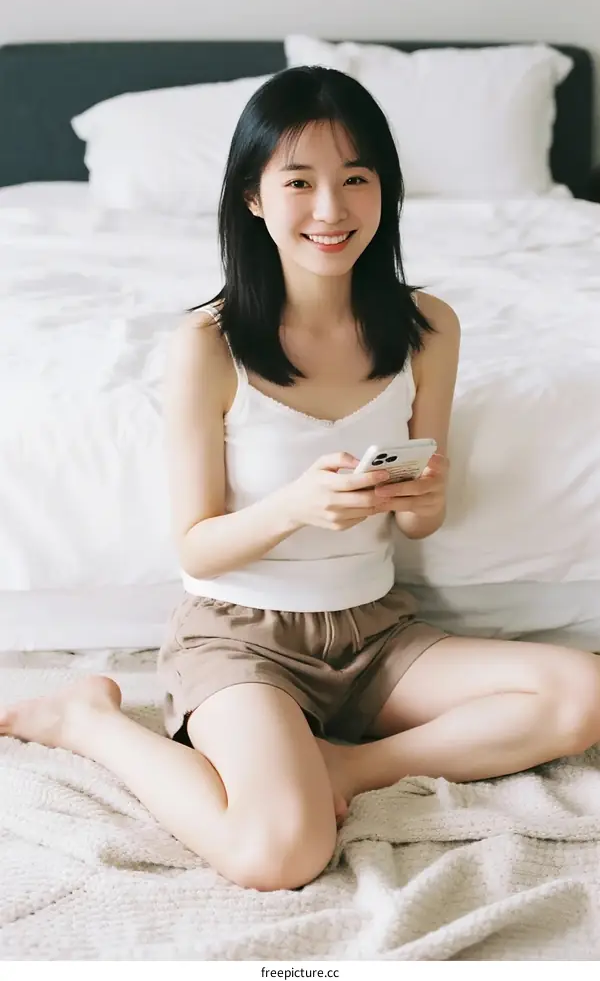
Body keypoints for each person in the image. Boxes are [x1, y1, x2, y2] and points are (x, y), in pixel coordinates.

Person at [3, 66, 600, 894]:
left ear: (385, 189)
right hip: (241, 637)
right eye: (298, 182)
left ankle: (347, 764)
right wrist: (294, 506)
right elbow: (196, 547)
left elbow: (419, 521)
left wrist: (424, 500)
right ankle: (88, 721)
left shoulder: (428, 327)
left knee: (581, 693)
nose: (330, 209)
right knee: (278, 853)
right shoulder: (207, 345)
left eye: (356, 178)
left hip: (373, 632)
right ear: (253, 196)